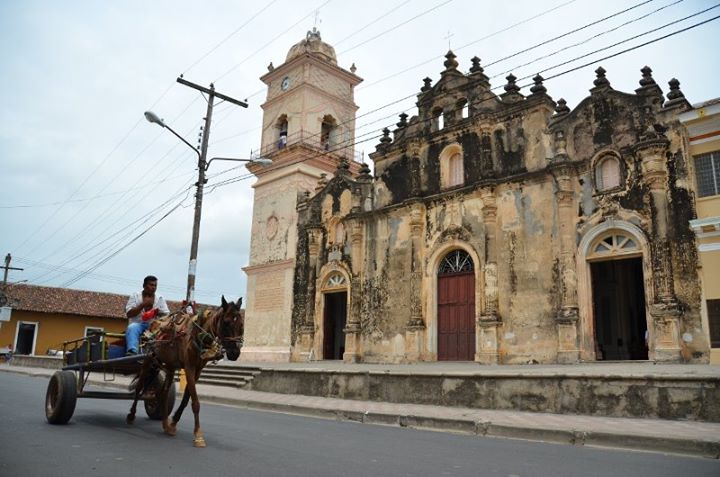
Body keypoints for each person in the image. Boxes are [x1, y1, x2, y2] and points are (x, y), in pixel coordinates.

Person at [125, 275, 169, 355]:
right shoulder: (135, 296)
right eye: (151, 285)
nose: (153, 287)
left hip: (154, 326)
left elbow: (167, 315)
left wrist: (157, 312)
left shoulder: (160, 298)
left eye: (155, 285)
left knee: (165, 331)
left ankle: (160, 354)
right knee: (132, 327)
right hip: (138, 324)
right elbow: (129, 314)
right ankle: (132, 351)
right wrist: (142, 305)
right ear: (144, 286)